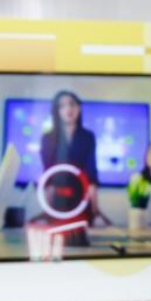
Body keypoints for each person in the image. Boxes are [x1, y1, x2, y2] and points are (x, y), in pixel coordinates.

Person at [39, 91, 109, 226]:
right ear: (57, 111)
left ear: (79, 108)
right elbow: (48, 175)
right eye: (62, 106)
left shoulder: (88, 137)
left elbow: (91, 172)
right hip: (56, 201)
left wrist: (95, 211)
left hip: (82, 198)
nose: (68, 109)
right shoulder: (48, 138)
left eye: (72, 104)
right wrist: (46, 210)